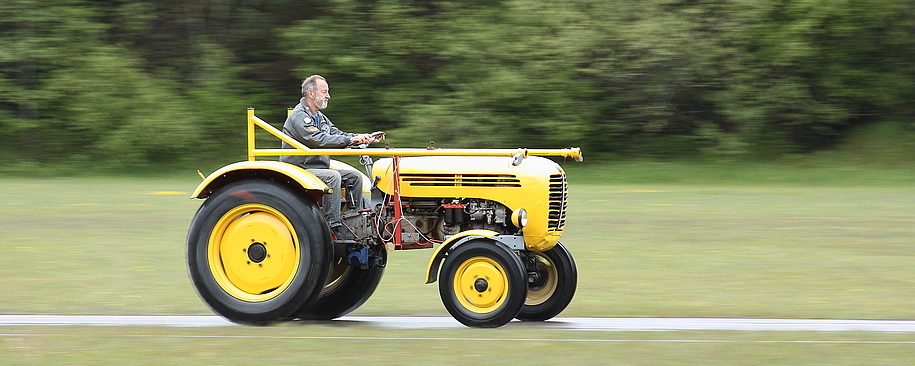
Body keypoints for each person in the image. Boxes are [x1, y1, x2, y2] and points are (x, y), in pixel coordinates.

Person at [280, 75, 381, 241]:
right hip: (300, 168)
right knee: (333, 177)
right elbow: (318, 140)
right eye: (325, 92)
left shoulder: (319, 117)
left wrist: (361, 137)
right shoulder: (300, 116)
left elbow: (337, 134)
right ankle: (333, 227)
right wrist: (349, 140)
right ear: (311, 93)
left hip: (317, 167)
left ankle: (356, 221)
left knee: (354, 177)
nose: (328, 96)